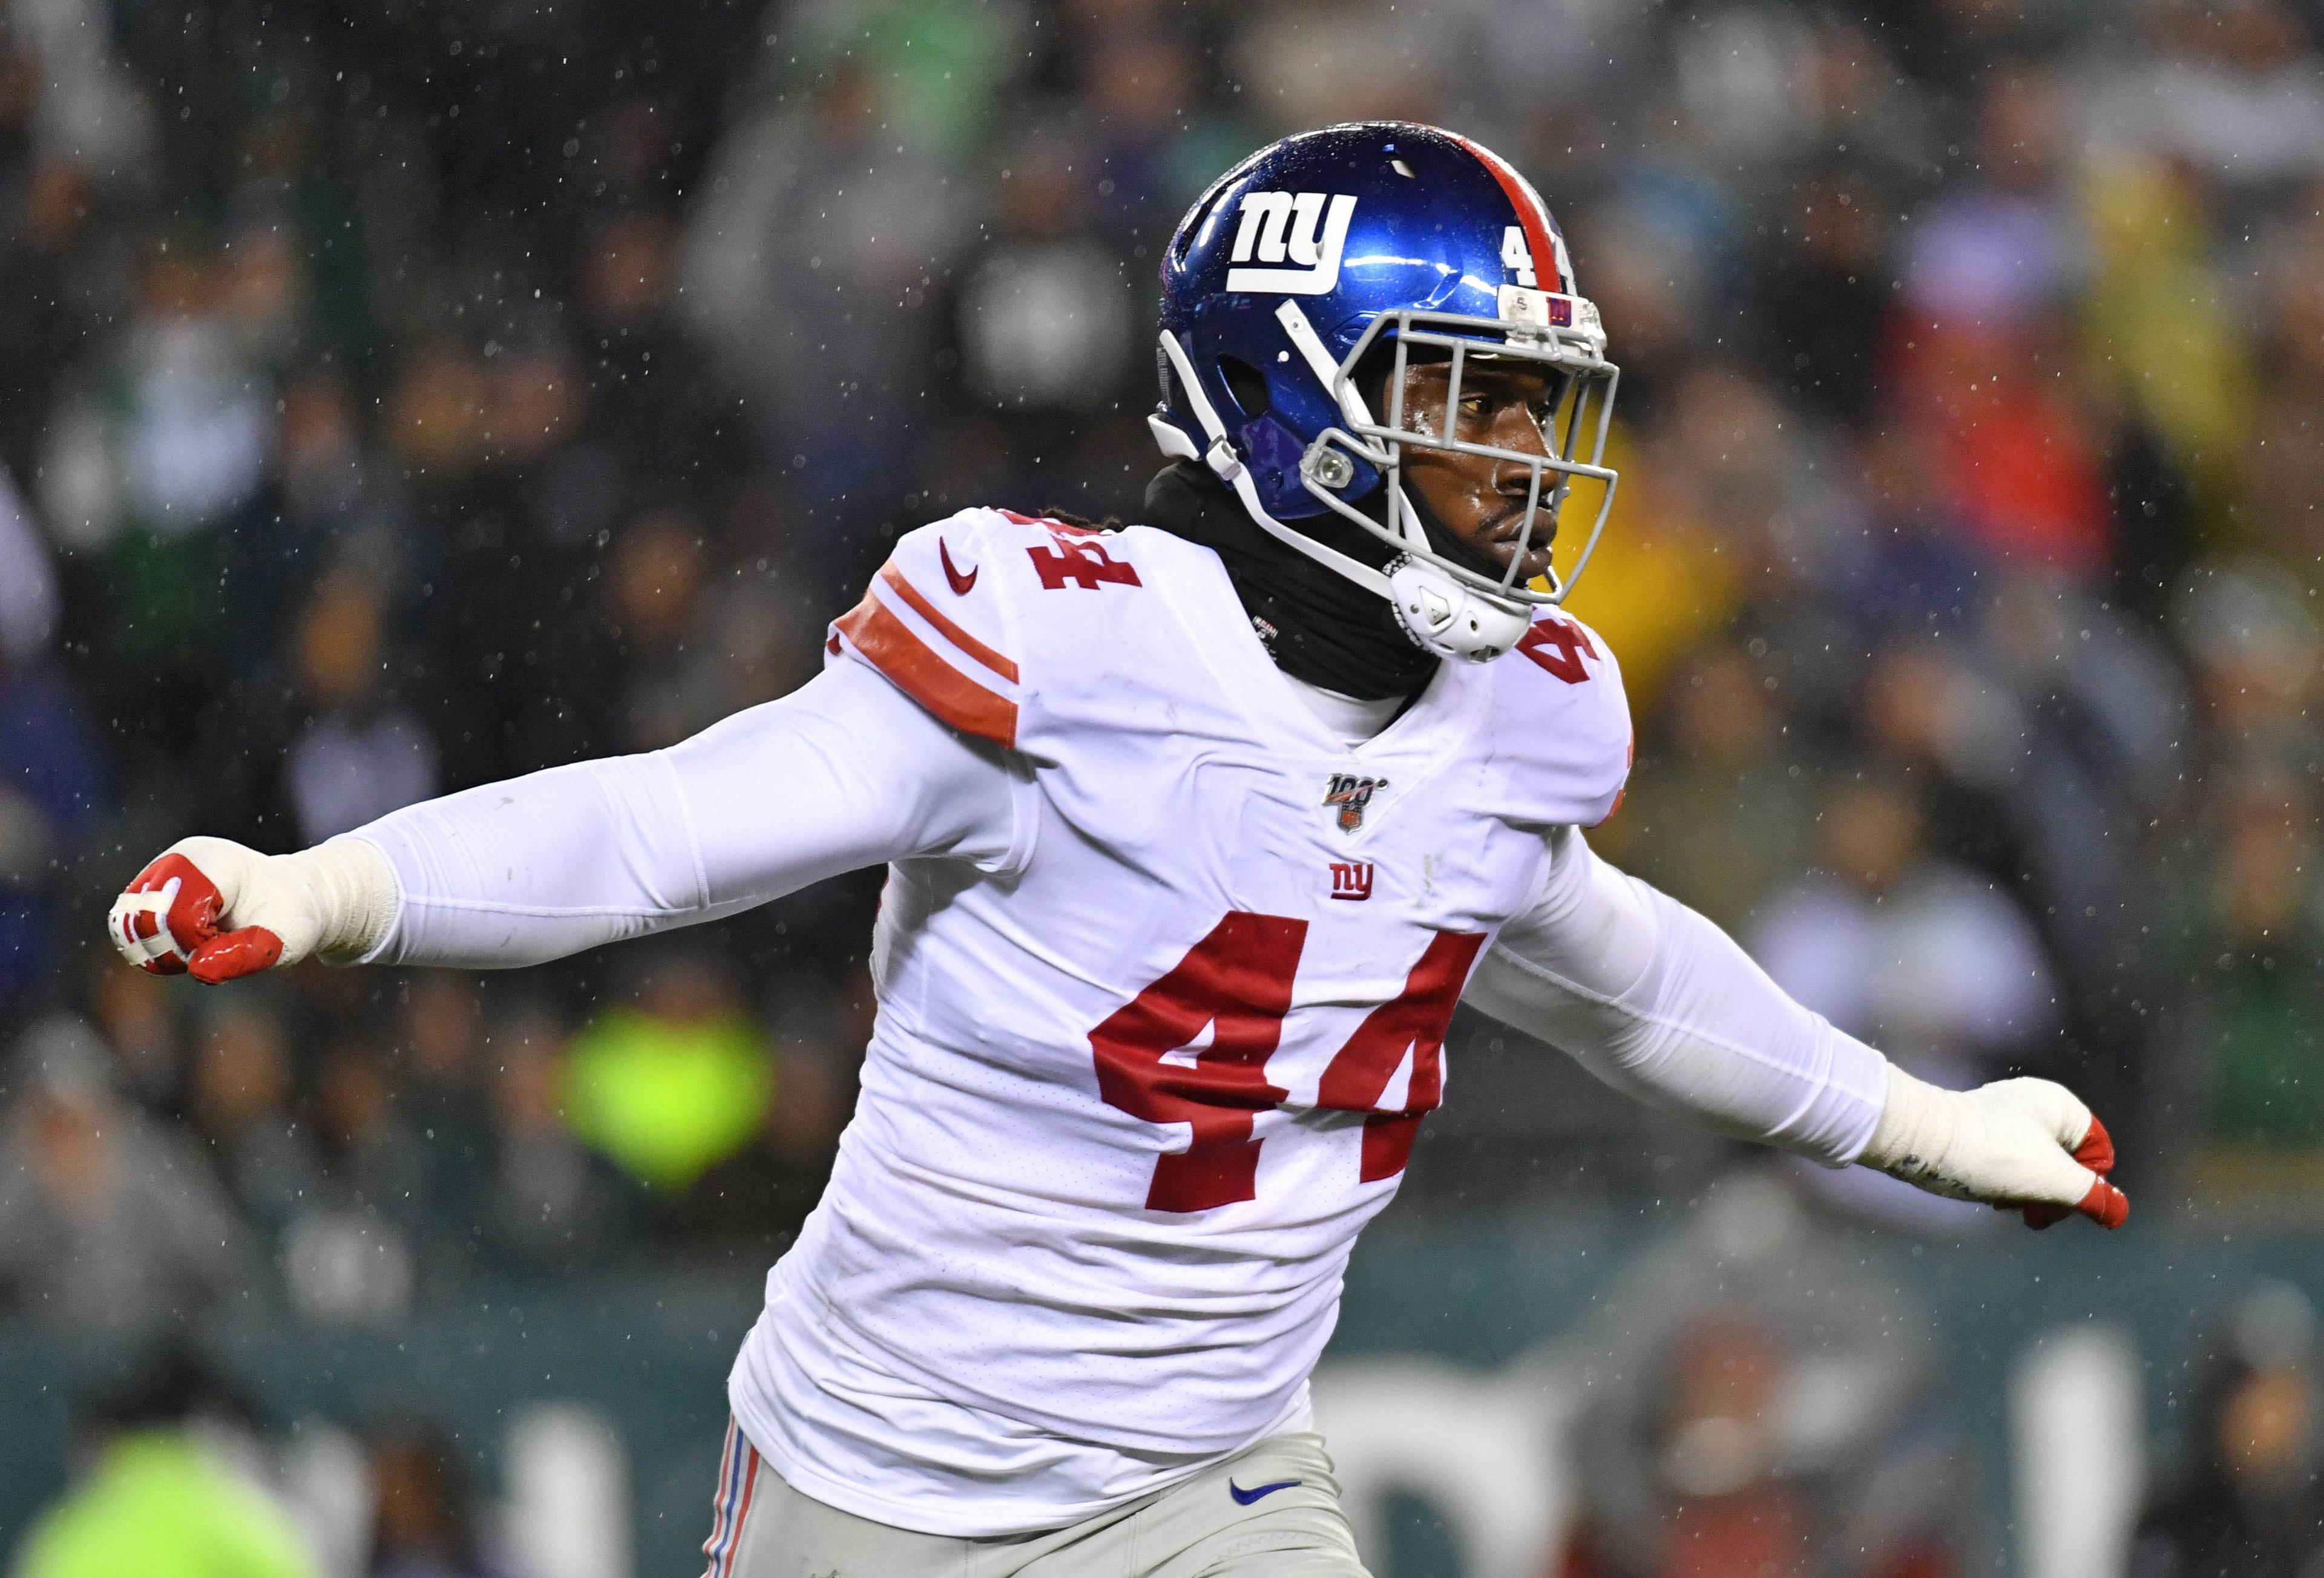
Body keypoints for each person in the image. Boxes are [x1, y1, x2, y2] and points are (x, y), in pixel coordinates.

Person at [104, 123, 2128, 1578]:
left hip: (1209, 1489)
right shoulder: (1057, 648)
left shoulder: (1520, 716)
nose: (1522, 473)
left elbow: (1608, 961)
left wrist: (1919, 1127)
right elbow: (662, 830)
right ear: (1283, 401)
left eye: (1535, 416)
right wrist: (324, 893)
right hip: (880, 1481)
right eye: (1464, 413)